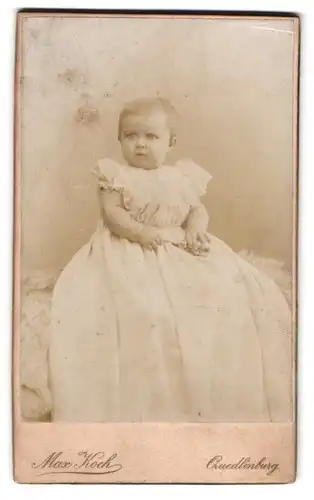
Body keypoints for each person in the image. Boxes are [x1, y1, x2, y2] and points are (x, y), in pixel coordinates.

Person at [49, 97, 292, 422]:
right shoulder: (115, 174)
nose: (139, 144)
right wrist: (141, 232)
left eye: (150, 137)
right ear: (120, 139)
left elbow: (196, 210)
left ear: (170, 142)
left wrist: (195, 230)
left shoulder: (181, 177)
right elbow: (112, 214)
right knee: (141, 306)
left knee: (221, 291)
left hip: (177, 243)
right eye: (130, 135)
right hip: (128, 248)